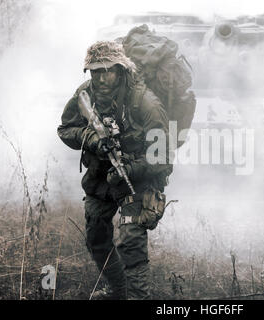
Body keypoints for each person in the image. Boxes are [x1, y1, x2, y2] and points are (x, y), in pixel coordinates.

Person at [57, 41, 172, 300]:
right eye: (95, 71)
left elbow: (163, 155)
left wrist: (129, 168)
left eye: (107, 70)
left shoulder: (145, 102)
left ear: (121, 69)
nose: (101, 77)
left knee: (130, 242)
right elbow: (65, 129)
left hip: (138, 179)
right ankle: (117, 290)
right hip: (101, 176)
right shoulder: (85, 94)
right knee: (96, 237)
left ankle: (138, 298)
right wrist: (91, 138)